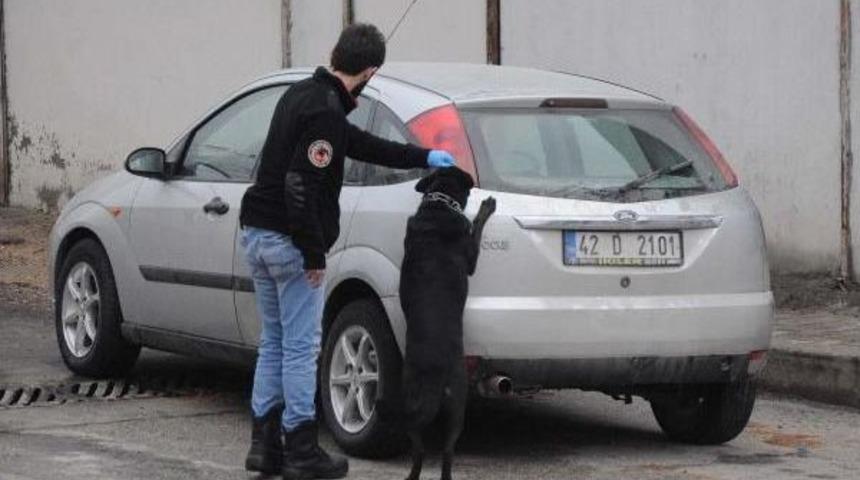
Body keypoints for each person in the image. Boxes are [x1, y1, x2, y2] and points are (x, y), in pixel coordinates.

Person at [238, 23, 456, 480]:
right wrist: (314, 255)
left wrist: (422, 157)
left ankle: (264, 446)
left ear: (336, 54)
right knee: (301, 348)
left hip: (258, 232)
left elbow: (359, 145)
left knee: (274, 342)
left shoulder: (303, 95)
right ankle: (300, 449)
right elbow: (300, 185)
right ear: (370, 71)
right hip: (288, 240)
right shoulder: (325, 111)